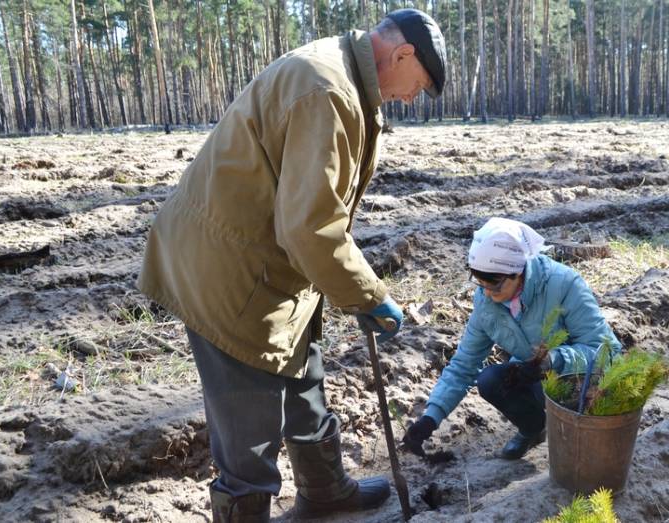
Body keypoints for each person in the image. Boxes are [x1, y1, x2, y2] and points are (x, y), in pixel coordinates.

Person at [137, 9, 446, 523]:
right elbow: (309, 227)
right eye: (420, 85)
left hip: (267, 263)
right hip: (230, 274)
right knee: (249, 427)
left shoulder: (341, 74)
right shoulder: (328, 90)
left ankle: (325, 492)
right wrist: (370, 297)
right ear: (402, 54)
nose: (412, 98)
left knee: (305, 378)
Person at [402, 218, 622, 460]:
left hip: (580, 380)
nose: (486, 292)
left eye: (494, 284)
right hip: (535, 374)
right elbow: (463, 365)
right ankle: (533, 429)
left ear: (517, 272)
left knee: (557, 415)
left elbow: (606, 352)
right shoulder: (486, 302)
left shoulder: (565, 284)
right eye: (479, 282)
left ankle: (575, 443)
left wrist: (553, 360)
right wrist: (430, 418)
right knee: (490, 380)